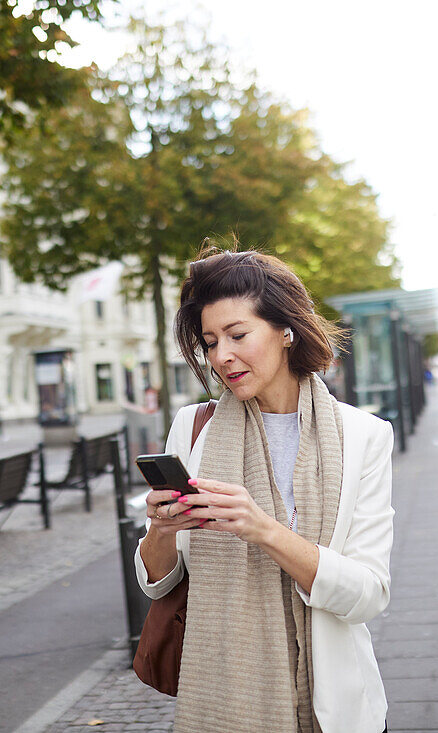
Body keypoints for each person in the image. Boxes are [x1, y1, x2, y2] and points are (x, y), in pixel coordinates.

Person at [135, 247, 394, 733]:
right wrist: (162, 529)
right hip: (224, 695)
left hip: (334, 704)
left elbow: (369, 595)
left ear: (286, 330)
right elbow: (159, 582)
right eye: (210, 342)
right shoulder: (194, 428)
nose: (221, 356)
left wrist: (263, 529)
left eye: (238, 335)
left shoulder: (363, 436)